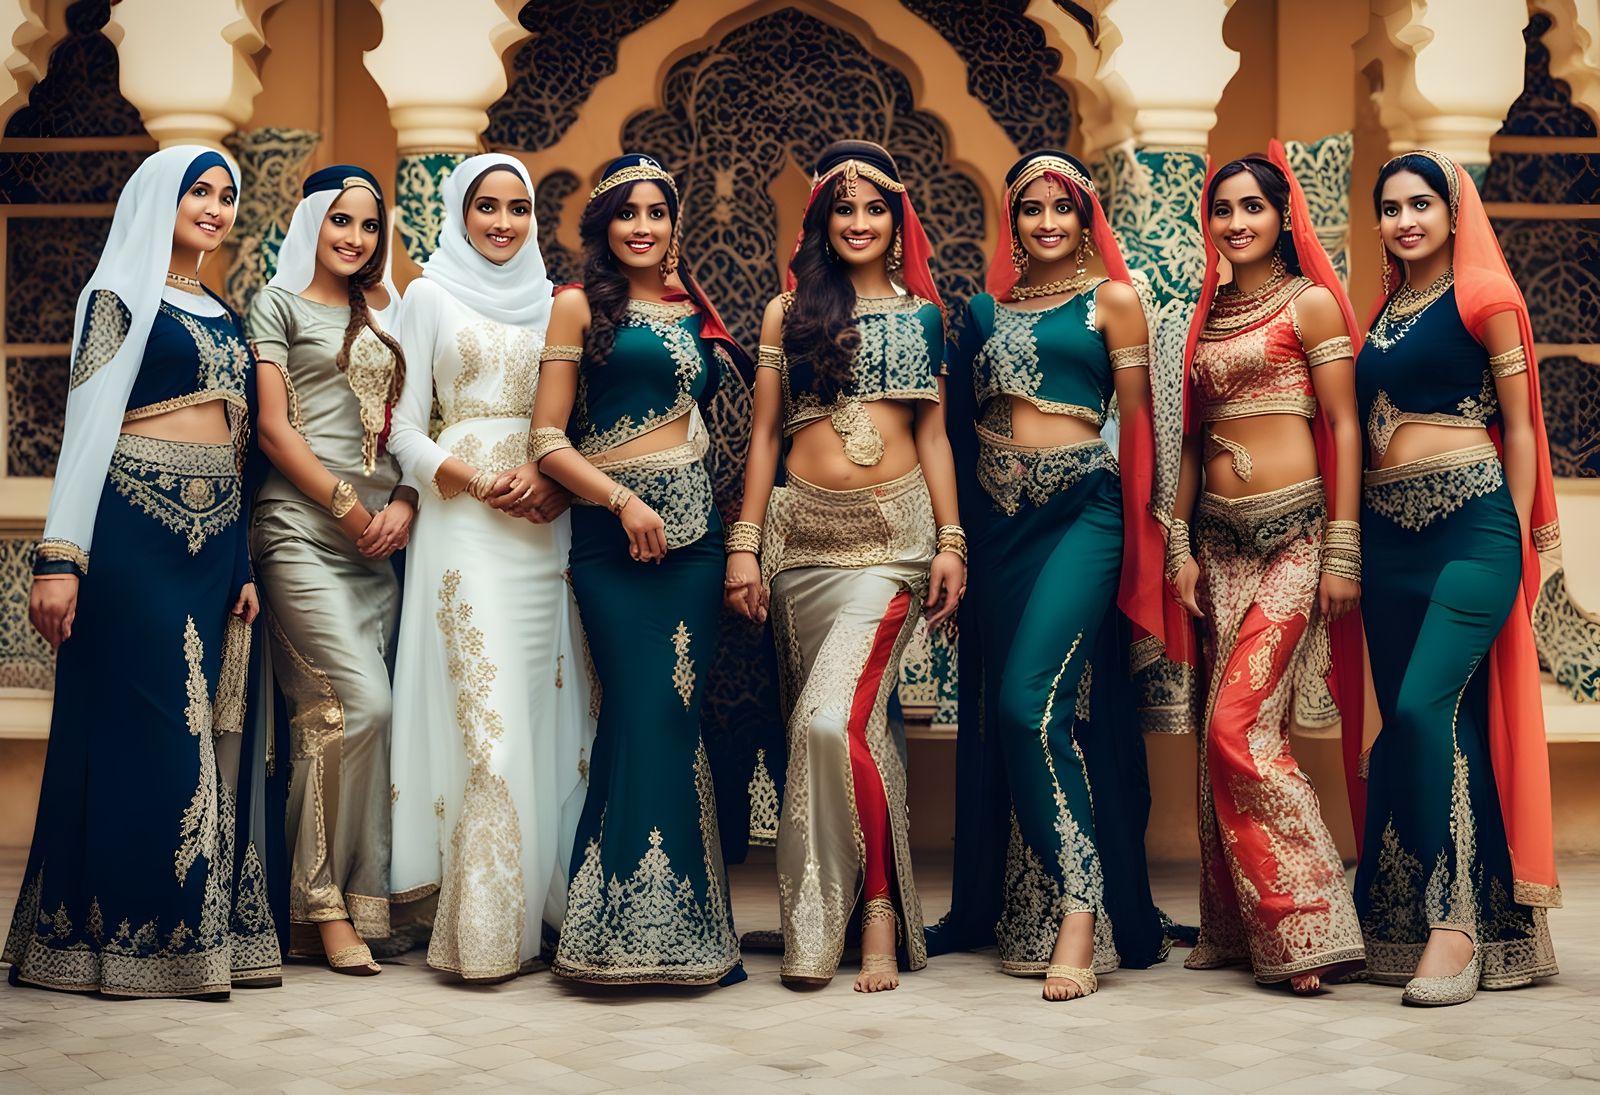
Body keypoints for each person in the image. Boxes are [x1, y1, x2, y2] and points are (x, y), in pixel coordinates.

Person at [7, 146, 279, 998]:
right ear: (158, 197)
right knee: (160, 730)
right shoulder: (118, 295)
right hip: (131, 535)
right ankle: (137, 939)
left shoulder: (221, 310)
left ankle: (177, 938)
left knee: (196, 731)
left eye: (227, 195)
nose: (215, 207)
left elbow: (237, 446)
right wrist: (60, 559)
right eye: (199, 190)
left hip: (208, 549)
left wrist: (240, 560)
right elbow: (87, 430)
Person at [942, 150, 1184, 1000]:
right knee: (1015, 706)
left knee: (1029, 705)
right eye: (1032, 210)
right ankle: (1032, 902)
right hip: (1002, 527)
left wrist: (1166, 539)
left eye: (1063, 209)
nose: (1048, 223)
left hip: (1085, 511)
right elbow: (954, 433)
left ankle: (1084, 906)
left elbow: (1145, 427)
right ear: (1014, 221)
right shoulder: (982, 311)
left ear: (1087, 219)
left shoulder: (1111, 302)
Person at [725, 140, 964, 992]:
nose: (859, 222)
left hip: (891, 544)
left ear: (897, 222)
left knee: (830, 721)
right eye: (844, 208)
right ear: (823, 221)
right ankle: (819, 916)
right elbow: (763, 436)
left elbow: (933, 435)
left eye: (874, 209)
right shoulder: (786, 314)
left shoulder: (927, 317)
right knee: (833, 733)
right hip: (799, 547)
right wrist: (746, 543)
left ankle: (872, 911)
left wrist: (950, 539)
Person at [1349, 149, 1560, 1007]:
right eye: (1391, 208)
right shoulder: (1388, 309)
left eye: (1420, 205)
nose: (1405, 220)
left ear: (1452, 209)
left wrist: (1511, 533)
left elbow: (1520, 429)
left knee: (1417, 706)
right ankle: (1476, 924)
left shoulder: (1487, 298)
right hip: (1388, 542)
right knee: (1428, 724)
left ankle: (1458, 922)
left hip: (1471, 532)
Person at [531, 154, 747, 988]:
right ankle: (613, 926)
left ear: (674, 225)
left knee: (674, 716)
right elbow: (545, 439)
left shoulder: (698, 314)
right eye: (627, 213)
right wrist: (621, 500)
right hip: (611, 542)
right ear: (604, 227)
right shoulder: (579, 306)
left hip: (694, 540)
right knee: (637, 710)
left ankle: (684, 930)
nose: (643, 226)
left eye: (657, 212)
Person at [387, 153, 592, 983]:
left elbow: (571, 417)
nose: (503, 222)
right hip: (465, 522)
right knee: (492, 729)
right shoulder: (427, 294)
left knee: (550, 718)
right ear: (459, 213)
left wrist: (545, 480)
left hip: (546, 523)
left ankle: (548, 910)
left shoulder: (556, 305)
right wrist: (477, 481)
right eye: (486, 207)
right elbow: (400, 428)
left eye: (517, 208)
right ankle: (483, 929)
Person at [1170, 141, 1366, 994]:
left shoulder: (1312, 304)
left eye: (1253, 207)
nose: (1237, 222)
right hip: (1216, 546)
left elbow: (1345, 426)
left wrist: (1342, 545)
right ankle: (1236, 925)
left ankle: (1310, 920)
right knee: (1216, 733)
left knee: (1239, 726)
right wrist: (1176, 541)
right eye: (1223, 209)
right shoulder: (1203, 318)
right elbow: (1187, 441)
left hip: (1295, 539)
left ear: (1284, 216)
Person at [248, 165, 415, 974]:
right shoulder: (274, 305)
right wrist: (352, 510)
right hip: (303, 532)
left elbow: (419, 422)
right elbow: (277, 432)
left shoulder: (387, 313)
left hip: (381, 548)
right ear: (311, 221)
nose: (355, 238)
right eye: (341, 222)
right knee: (350, 705)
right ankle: (318, 900)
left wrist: (408, 502)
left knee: (371, 721)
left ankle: (355, 899)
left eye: (369, 227)